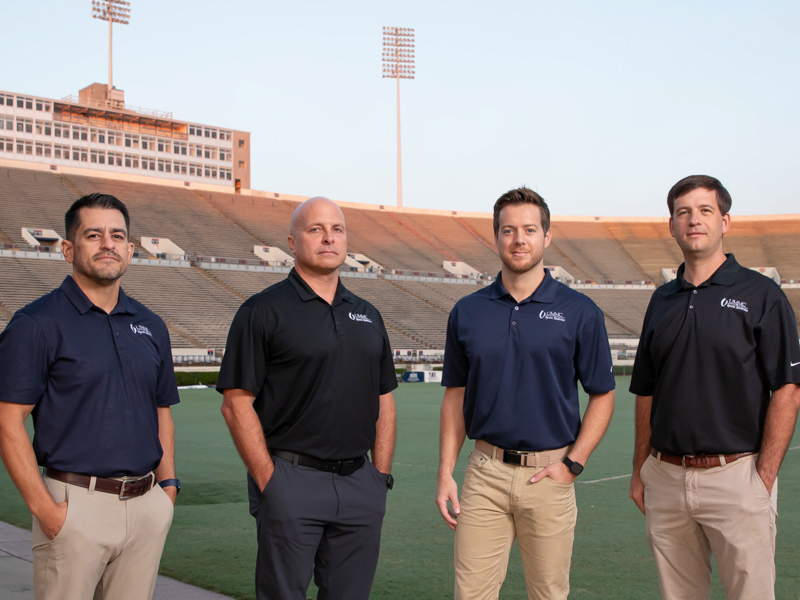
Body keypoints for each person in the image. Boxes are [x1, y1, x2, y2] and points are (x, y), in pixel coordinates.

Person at [436, 186, 616, 600]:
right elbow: (455, 396)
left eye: (530, 230)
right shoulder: (468, 310)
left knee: (549, 594)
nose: (519, 239)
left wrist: (573, 464)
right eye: (509, 230)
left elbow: (603, 395)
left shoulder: (580, 311)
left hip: (549, 475)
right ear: (495, 237)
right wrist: (447, 471)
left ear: (546, 237)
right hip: (485, 473)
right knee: (472, 594)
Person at [0, 193, 180, 600]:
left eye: (117, 235)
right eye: (93, 234)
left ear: (130, 250)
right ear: (68, 249)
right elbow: (7, 421)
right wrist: (48, 512)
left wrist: (167, 490)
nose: (107, 243)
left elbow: (161, 411)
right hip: (75, 505)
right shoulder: (36, 323)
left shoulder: (151, 325)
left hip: (147, 505)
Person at [629, 175, 800, 600]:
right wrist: (640, 469)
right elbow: (646, 390)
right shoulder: (661, 300)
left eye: (705, 211)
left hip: (737, 476)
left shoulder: (762, 295)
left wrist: (763, 476)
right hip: (666, 479)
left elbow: (788, 388)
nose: (694, 220)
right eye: (683, 212)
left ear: (725, 221)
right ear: (671, 226)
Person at [217, 196, 397, 600]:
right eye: (315, 229)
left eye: (337, 229)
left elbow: (384, 398)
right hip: (291, 480)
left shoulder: (368, 314)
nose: (328, 238)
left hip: (359, 485)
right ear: (292, 241)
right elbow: (235, 403)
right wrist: (270, 480)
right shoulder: (261, 311)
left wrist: (379, 477)